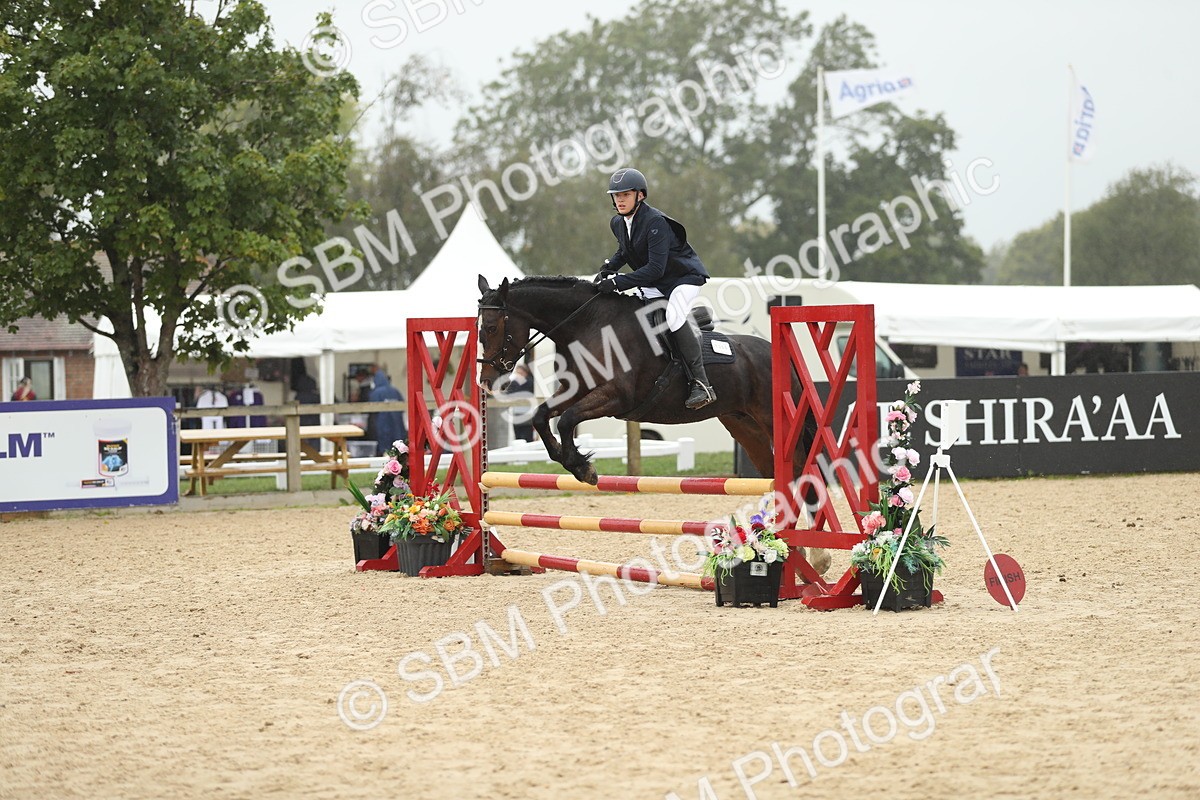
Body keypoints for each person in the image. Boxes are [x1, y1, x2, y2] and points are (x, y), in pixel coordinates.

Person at [594, 167, 715, 409]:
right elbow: (624, 251)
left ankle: (701, 384)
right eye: (616, 195)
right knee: (637, 315)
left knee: (673, 315)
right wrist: (608, 268)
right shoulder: (618, 223)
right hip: (657, 283)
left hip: (683, 279)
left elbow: (654, 269)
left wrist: (617, 282)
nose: (620, 200)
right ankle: (696, 321)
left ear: (641, 196)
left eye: (626, 195)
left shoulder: (655, 222)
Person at [368, 370, 407, 456]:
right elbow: (403, 407)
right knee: (398, 446)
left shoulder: (376, 393)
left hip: (382, 424)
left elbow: (371, 411)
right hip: (397, 425)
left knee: (385, 447)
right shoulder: (395, 391)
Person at [504, 363, 536, 443]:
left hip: (527, 414)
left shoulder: (530, 382)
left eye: (520, 373)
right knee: (518, 438)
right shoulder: (514, 383)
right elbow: (508, 393)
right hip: (516, 413)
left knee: (528, 438)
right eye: (517, 373)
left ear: (525, 373)